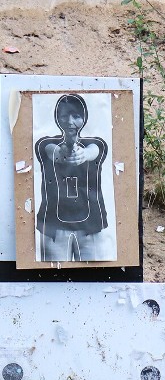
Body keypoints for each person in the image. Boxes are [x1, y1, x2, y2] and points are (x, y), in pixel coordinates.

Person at [34, 93, 110, 262]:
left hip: (90, 226)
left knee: (94, 278)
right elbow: (52, 150)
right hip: (54, 226)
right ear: (57, 118)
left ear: (84, 118)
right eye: (64, 116)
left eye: (76, 116)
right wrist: (64, 153)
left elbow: (93, 150)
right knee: (53, 278)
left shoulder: (97, 142)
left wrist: (83, 154)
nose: (69, 122)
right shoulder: (44, 142)